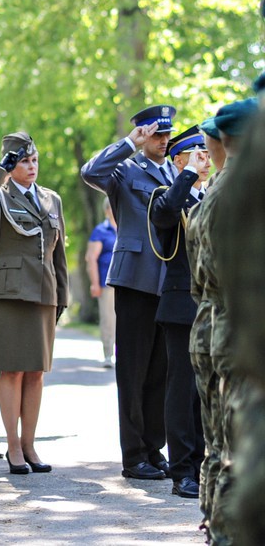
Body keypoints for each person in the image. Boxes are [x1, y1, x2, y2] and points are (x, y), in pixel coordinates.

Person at [81, 105, 177, 480]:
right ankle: (133, 455)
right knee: (133, 371)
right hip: (136, 277)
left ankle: (155, 449)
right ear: (142, 135)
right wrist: (127, 144)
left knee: (160, 371)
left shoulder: (173, 171)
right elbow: (91, 172)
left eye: (167, 135)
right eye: (156, 134)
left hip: (167, 279)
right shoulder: (124, 169)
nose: (164, 141)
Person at [0, 132, 68, 474]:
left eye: (34, 160)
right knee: (11, 370)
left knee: (36, 373)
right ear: (11, 164)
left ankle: (29, 444)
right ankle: (12, 445)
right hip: (10, 293)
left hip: (43, 293)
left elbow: (60, 254)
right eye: (23, 161)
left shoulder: (51, 199)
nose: (31, 166)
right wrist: (0, 171)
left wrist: (63, 297)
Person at [186, 98, 258, 544]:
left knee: (218, 442)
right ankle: (226, 531)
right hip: (237, 331)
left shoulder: (212, 195)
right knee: (237, 447)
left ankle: (214, 523)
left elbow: (199, 279)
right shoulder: (241, 196)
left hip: (210, 325)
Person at [149, 125, 210, 500]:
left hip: (215, 307)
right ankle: (182, 470)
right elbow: (165, 216)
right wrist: (186, 175)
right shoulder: (167, 195)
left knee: (209, 392)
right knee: (182, 389)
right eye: (196, 154)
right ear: (178, 160)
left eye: (207, 153)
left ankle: (207, 466)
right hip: (182, 305)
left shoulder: (214, 197)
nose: (205, 160)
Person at [85, 199, 117, 368]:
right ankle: (108, 354)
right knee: (108, 319)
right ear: (106, 210)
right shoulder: (100, 231)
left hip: (126, 283)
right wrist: (94, 283)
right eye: (111, 206)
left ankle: (122, 354)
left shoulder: (127, 227)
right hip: (107, 282)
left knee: (123, 320)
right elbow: (91, 258)